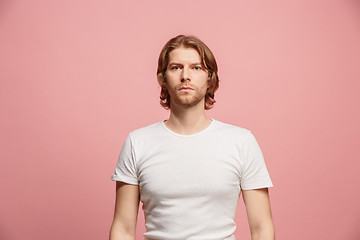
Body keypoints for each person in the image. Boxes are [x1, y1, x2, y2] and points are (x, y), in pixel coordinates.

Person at [109, 35, 275, 240]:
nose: (185, 76)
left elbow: (262, 229)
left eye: (196, 68)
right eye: (176, 67)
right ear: (162, 78)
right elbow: (123, 229)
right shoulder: (137, 143)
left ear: (210, 78)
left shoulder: (241, 142)